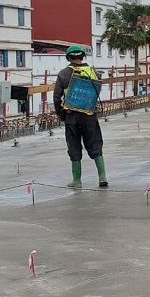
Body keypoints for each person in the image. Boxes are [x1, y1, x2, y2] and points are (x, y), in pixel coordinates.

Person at [53, 45, 107, 189]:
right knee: (95, 144)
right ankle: (102, 177)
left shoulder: (63, 74)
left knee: (74, 146)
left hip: (72, 116)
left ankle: (77, 181)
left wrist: (60, 113)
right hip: (89, 115)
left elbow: (57, 97)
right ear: (82, 57)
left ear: (69, 58)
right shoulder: (93, 72)